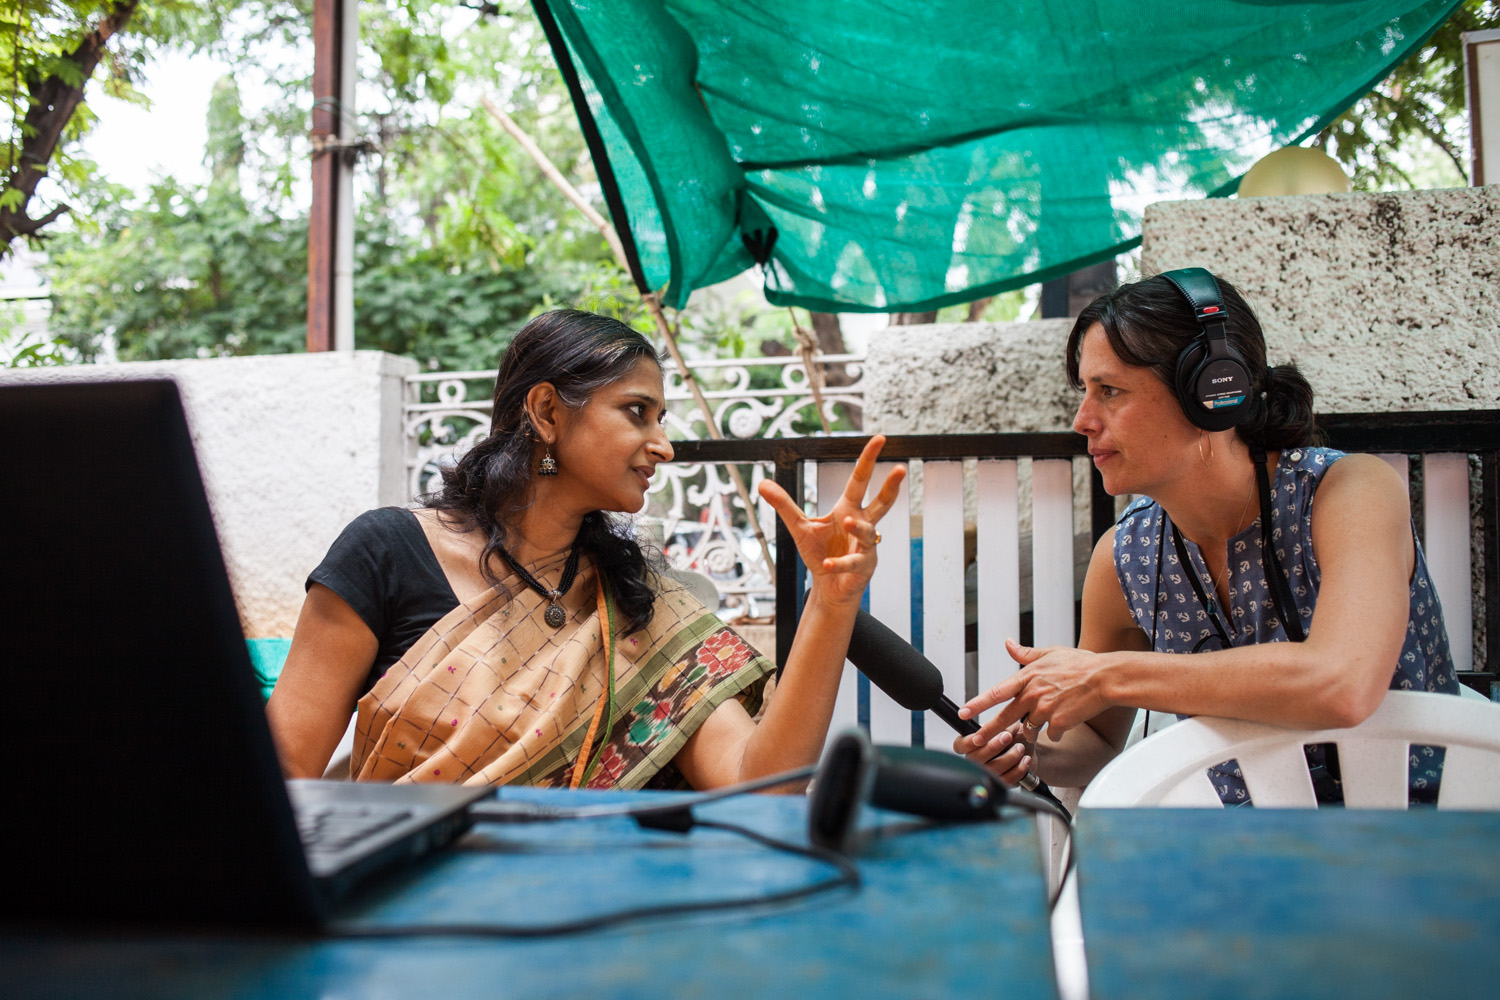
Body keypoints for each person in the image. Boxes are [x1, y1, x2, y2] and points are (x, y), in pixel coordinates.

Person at [267, 309, 904, 790]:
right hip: (406, 917)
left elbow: (759, 785)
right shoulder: (384, 553)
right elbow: (281, 773)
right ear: (547, 410)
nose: (663, 445)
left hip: (588, 920)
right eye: (638, 412)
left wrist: (832, 600)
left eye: (662, 418)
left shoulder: (634, 602)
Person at [955, 269, 1457, 804]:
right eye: (1084, 391)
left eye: (1109, 391)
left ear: (1211, 391)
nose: (1082, 419)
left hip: (1424, 840)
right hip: (1246, 856)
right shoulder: (1123, 558)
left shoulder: (1349, 491)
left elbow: (1342, 684)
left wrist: (1106, 675)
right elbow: (1098, 739)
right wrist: (1029, 754)